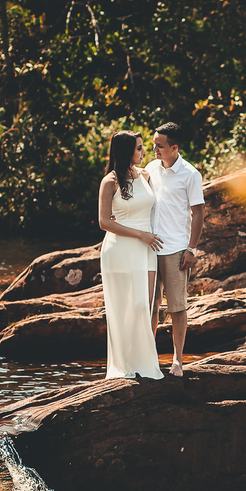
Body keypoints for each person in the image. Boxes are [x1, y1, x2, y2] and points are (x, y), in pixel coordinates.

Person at [98, 130, 164, 380]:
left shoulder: (145, 175)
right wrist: (140, 235)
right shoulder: (110, 181)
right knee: (124, 308)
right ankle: (124, 367)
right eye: (138, 148)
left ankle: (145, 365)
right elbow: (104, 222)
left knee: (143, 306)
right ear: (126, 151)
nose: (143, 152)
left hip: (147, 248)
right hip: (120, 250)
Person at [146, 121, 205, 377]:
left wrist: (191, 249)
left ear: (174, 148)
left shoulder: (190, 174)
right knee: (151, 305)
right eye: (154, 145)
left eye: (160, 146)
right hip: (149, 248)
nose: (155, 150)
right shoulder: (150, 169)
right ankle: (148, 357)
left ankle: (178, 360)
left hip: (176, 250)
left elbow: (199, 212)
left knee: (177, 307)